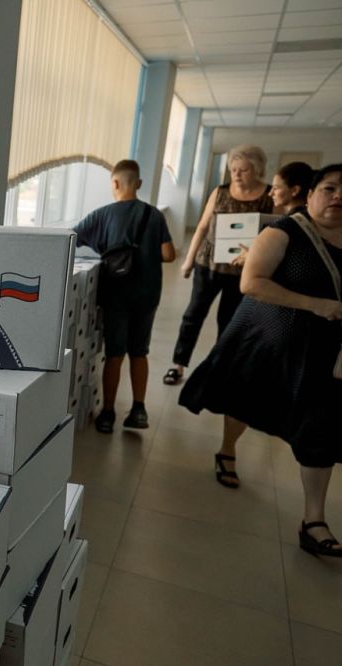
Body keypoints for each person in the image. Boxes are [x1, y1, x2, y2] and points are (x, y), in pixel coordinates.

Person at [179, 164, 342, 557]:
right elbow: (251, 283)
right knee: (244, 399)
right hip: (269, 340)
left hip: (325, 353)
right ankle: (227, 449)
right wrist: (315, 304)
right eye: (330, 188)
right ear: (310, 194)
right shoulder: (285, 231)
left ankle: (313, 520)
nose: (338, 197)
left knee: (319, 428)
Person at [208, 161, 315, 488]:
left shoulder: (305, 228)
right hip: (269, 320)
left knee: (254, 387)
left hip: (289, 322)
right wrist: (252, 258)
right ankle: (228, 449)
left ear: (295, 190)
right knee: (246, 384)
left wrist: (250, 258)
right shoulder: (282, 226)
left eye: (277, 186)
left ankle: (230, 448)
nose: (272, 192)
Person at [73, 160, 175, 433]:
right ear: (139, 183)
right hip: (147, 294)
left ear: (115, 183)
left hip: (115, 294)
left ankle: (108, 413)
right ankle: (139, 410)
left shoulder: (102, 215)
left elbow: (71, 238)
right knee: (139, 351)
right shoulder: (154, 215)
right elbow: (168, 254)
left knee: (115, 353)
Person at [163, 145, 274, 386]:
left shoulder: (269, 196)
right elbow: (202, 227)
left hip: (243, 270)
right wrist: (189, 260)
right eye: (233, 169)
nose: (237, 175)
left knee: (229, 321)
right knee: (193, 315)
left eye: (243, 170)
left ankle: (219, 368)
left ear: (257, 171)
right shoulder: (220, 192)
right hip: (209, 264)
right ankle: (178, 365)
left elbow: (275, 233)